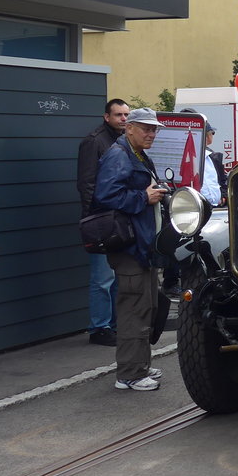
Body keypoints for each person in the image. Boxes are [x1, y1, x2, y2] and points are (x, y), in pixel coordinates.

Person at [93, 108, 170, 391]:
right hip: (129, 245)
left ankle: (138, 366)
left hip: (141, 244)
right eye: (146, 129)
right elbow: (105, 196)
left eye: (154, 130)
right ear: (129, 129)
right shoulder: (118, 155)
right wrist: (143, 196)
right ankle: (129, 374)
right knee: (133, 309)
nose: (152, 134)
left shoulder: (134, 153)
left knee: (145, 306)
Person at [76, 98, 129, 346]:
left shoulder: (125, 140)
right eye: (118, 115)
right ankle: (99, 327)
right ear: (106, 117)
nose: (123, 119)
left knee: (118, 275)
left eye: (126, 115)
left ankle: (115, 324)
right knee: (102, 278)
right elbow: (86, 183)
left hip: (120, 217)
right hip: (101, 219)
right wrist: (92, 219)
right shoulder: (94, 141)